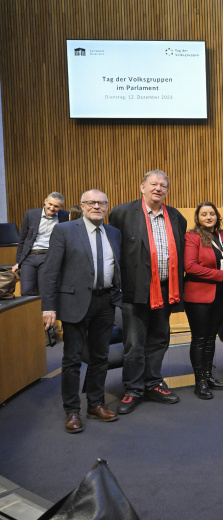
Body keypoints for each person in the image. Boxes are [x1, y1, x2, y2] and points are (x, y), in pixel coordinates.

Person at [41, 190, 121, 433]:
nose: (96, 206)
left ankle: (95, 404)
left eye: (101, 203)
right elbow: (51, 271)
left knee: (100, 357)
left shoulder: (114, 233)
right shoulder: (65, 230)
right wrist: (49, 307)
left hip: (105, 302)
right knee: (73, 359)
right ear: (82, 206)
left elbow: (118, 266)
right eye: (91, 203)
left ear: (107, 207)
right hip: (74, 304)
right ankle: (72, 410)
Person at [109, 170, 187, 414]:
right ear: (142, 187)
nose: (158, 188)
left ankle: (153, 383)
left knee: (159, 339)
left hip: (166, 290)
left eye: (163, 185)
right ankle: (133, 389)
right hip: (135, 292)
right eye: (153, 184)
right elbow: (114, 252)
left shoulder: (176, 216)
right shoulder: (122, 213)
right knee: (134, 343)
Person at [183, 202, 223, 400]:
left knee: (212, 337)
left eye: (212, 213)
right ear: (198, 217)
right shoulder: (192, 237)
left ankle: (208, 376)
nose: (208, 217)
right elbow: (190, 266)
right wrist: (219, 275)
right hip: (198, 296)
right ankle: (199, 382)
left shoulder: (222, 236)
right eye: (204, 214)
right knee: (200, 338)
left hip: (219, 294)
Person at [13, 192, 68, 295]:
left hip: (48, 256)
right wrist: (18, 262)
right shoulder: (31, 214)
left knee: (45, 291)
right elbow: (22, 239)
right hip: (29, 257)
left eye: (56, 206)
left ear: (61, 207)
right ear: (45, 201)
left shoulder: (64, 216)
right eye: (50, 204)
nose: (52, 208)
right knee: (25, 291)